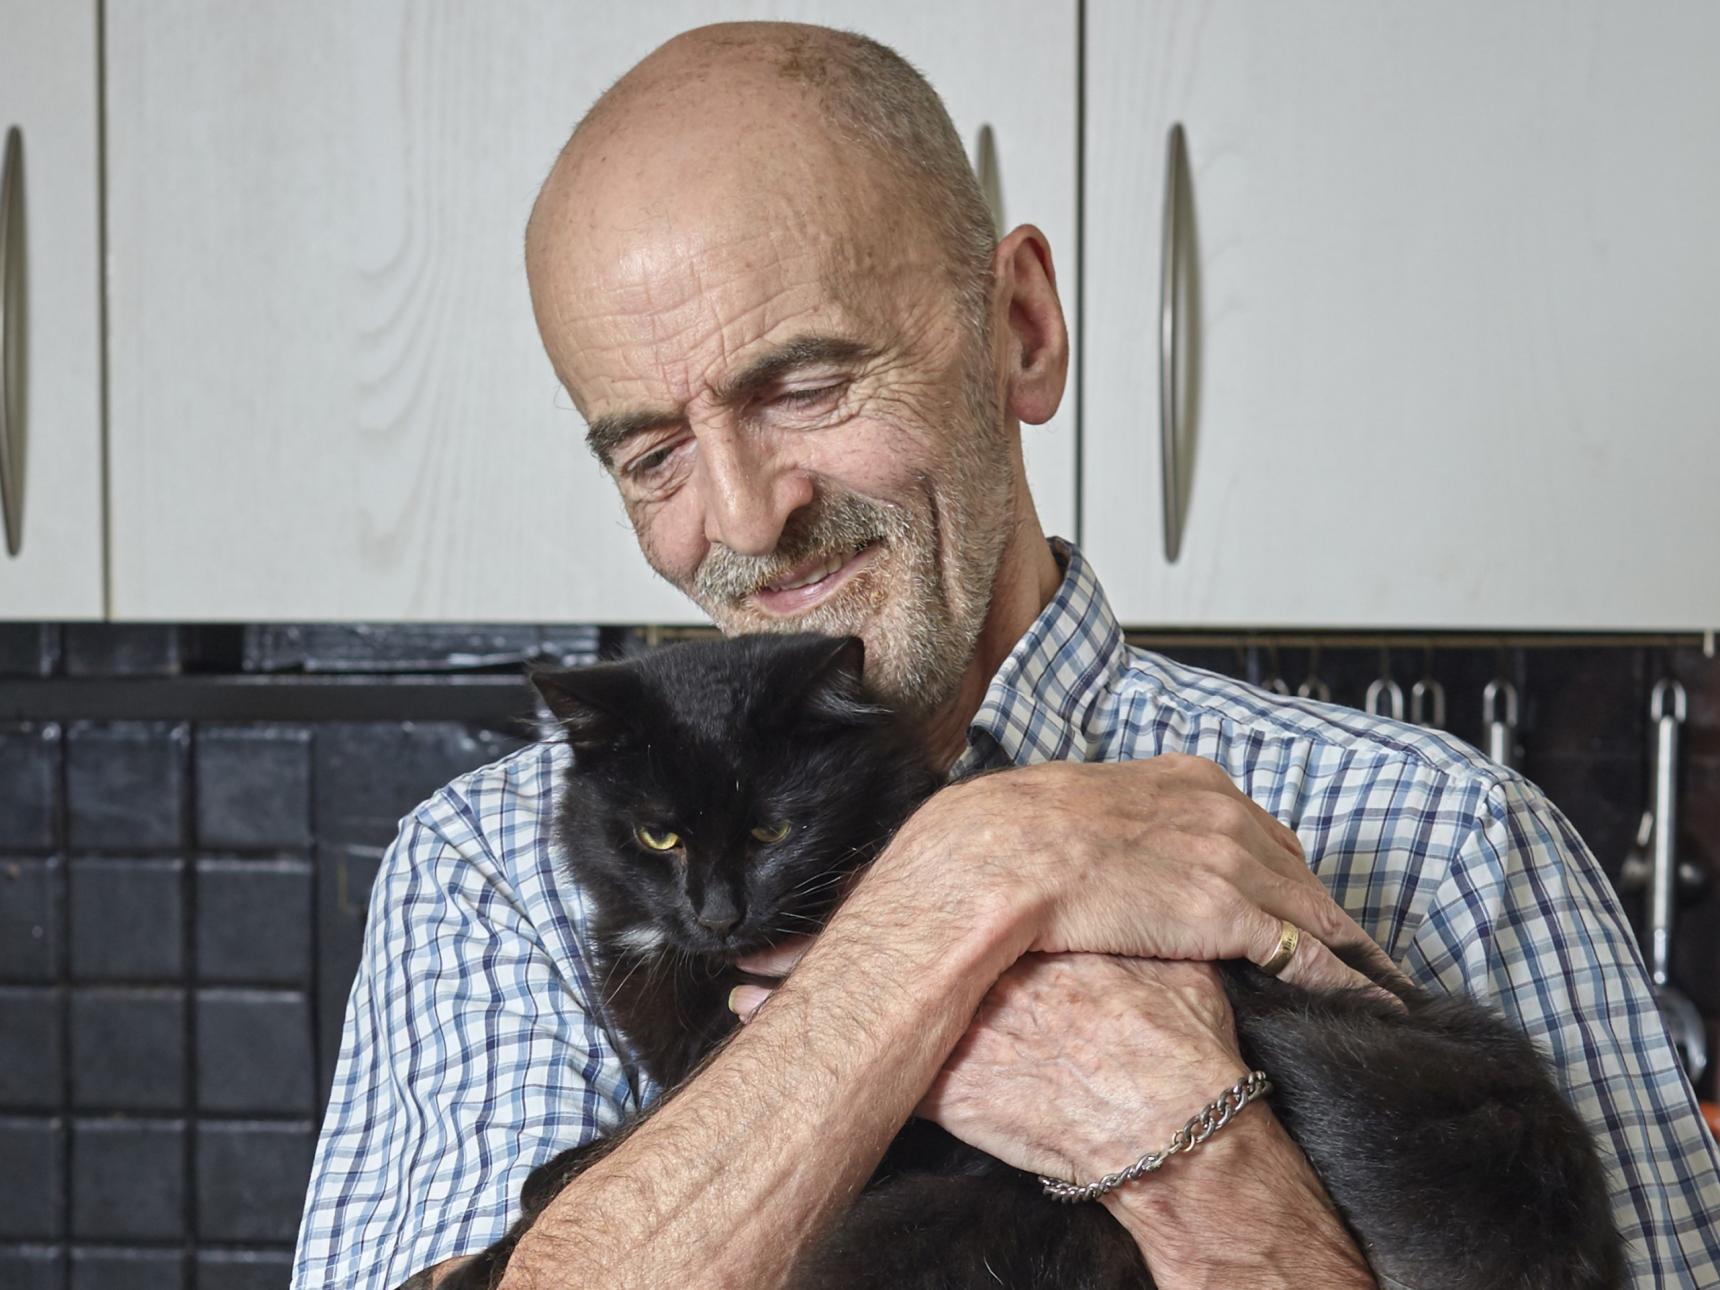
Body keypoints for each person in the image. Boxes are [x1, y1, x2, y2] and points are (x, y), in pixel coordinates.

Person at [292, 21, 1720, 1289]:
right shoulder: (491, 880)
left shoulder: (1450, 838)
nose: (744, 514)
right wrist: (971, 880)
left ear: (1020, 330)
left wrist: (1191, 1157)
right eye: (654, 454)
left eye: (804, 382)